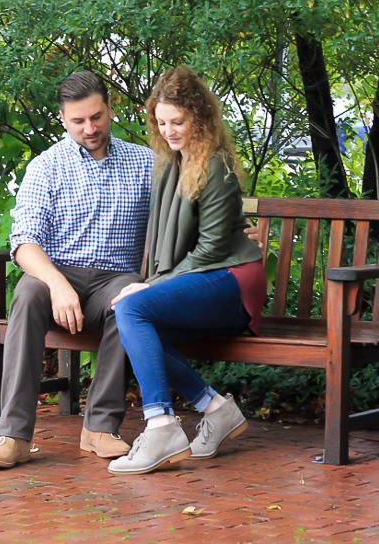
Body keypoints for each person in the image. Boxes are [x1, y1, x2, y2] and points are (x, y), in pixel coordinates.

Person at [0, 70, 154, 469]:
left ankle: (100, 427)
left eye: (96, 116)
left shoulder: (145, 163)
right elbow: (24, 242)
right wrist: (57, 283)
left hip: (115, 280)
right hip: (59, 277)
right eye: (78, 121)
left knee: (132, 298)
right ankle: (13, 435)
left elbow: (188, 208)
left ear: (111, 108)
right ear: (62, 118)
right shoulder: (47, 167)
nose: (89, 128)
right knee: (27, 292)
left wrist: (235, 229)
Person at [108, 67, 267, 475]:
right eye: (161, 123)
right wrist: (148, 285)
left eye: (177, 121)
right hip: (204, 276)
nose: (168, 131)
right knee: (137, 324)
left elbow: (212, 248)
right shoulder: (171, 163)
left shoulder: (214, 164)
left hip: (233, 280)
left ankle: (161, 426)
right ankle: (215, 409)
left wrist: (150, 285)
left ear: (200, 116)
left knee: (133, 309)